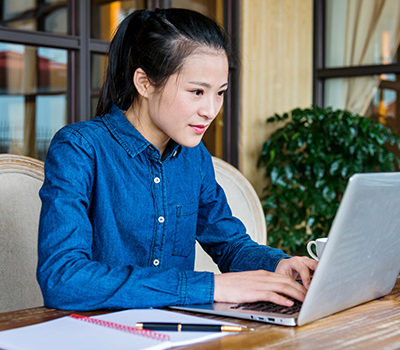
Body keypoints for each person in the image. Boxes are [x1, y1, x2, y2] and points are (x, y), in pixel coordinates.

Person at [37, 8, 317, 311]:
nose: (210, 110)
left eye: (219, 93)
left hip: (180, 333)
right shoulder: (79, 148)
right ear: (144, 83)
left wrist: (280, 264)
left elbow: (231, 245)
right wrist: (212, 286)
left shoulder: (194, 157)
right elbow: (63, 278)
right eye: (197, 91)